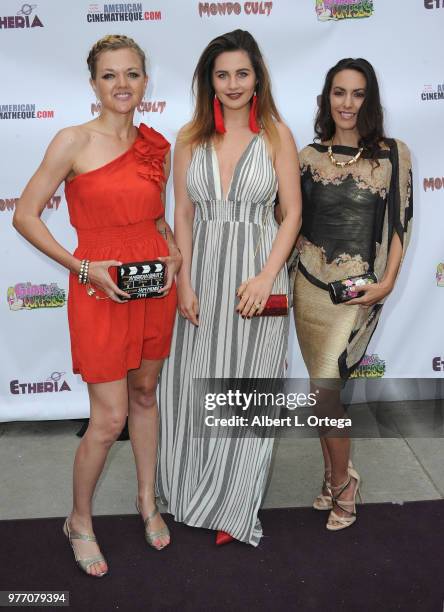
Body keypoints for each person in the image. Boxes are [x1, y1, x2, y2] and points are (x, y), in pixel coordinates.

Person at [13, 35, 181, 577]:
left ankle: (146, 500)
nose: (122, 85)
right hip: (97, 284)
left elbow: (155, 217)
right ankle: (79, 521)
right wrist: (84, 268)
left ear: (145, 81)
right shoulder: (72, 141)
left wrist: (174, 251)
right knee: (108, 419)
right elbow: (26, 215)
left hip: (154, 282)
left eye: (132, 74)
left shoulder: (157, 144)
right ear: (93, 84)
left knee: (146, 395)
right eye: (110, 75)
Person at [157, 29, 301, 546]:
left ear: (257, 76)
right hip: (202, 277)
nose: (233, 83)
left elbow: (292, 215)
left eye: (242, 73)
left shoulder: (277, 135)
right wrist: (185, 281)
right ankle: (191, 489)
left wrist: (266, 277)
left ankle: (235, 503)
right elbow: (183, 216)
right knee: (192, 386)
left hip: (256, 277)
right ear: (208, 82)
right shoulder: (188, 139)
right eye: (223, 75)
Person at [293, 58, 413, 530]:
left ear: (371, 99)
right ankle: (332, 476)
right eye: (338, 93)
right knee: (322, 392)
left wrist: (387, 284)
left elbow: (401, 223)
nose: (347, 103)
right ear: (327, 99)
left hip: (357, 293)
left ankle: (345, 484)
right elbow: (292, 225)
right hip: (308, 286)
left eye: (358, 93)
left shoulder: (393, 154)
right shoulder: (306, 156)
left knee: (325, 390)